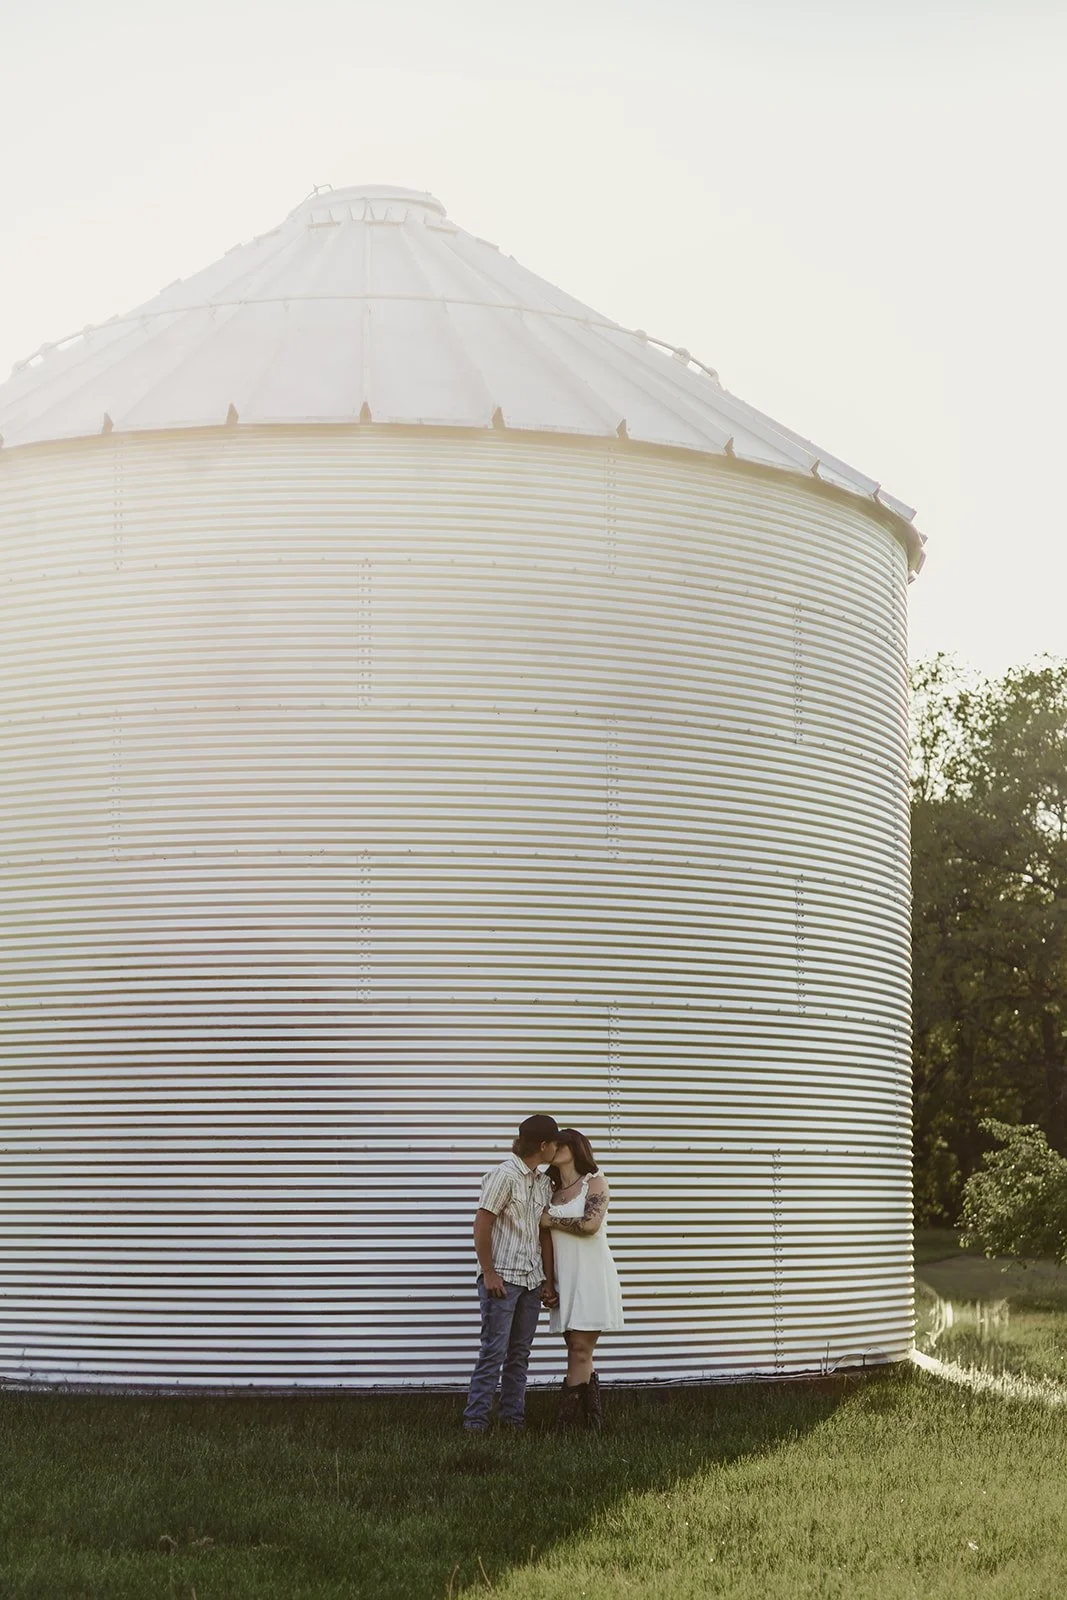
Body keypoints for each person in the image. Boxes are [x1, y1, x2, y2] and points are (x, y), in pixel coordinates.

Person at [462, 1114, 561, 1433]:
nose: (556, 1148)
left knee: (519, 1354)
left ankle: (512, 1420)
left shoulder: (543, 1182)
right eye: (554, 1143)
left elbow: (543, 1234)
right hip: (502, 1280)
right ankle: (475, 1422)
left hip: (531, 1281)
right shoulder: (503, 1175)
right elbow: (482, 1223)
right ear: (543, 1145)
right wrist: (488, 1272)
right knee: (493, 1351)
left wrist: (547, 1279)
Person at [540, 1128, 624, 1431]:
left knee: (578, 1349)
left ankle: (563, 1426)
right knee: (579, 1351)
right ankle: (593, 1423)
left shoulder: (595, 1182)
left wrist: (552, 1220)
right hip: (566, 1278)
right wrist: (548, 1281)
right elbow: (544, 1241)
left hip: (592, 1276)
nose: (556, 1148)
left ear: (576, 1148)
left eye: (562, 1143)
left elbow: (590, 1225)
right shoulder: (548, 1191)